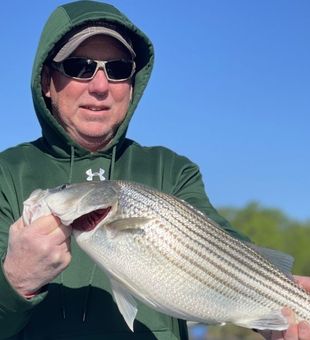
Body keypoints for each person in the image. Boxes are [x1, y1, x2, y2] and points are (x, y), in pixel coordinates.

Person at [0, 1, 309, 339]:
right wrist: (16, 281)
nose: (100, 86)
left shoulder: (171, 170)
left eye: (117, 69)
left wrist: (280, 306)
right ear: (46, 80)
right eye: (80, 66)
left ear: (133, 85)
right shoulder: (8, 173)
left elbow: (220, 250)